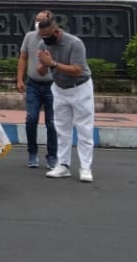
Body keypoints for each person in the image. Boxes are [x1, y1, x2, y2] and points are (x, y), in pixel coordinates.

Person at [38, 13, 95, 182]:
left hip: (80, 88)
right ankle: (63, 165)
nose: (44, 39)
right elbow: (41, 71)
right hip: (59, 88)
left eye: (47, 36)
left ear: (56, 31)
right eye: (42, 36)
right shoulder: (43, 43)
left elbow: (77, 69)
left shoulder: (74, 43)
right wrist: (42, 65)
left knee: (84, 129)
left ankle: (85, 168)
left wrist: (52, 63)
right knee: (62, 129)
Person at [17, 11, 58, 170]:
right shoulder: (29, 37)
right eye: (36, 20)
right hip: (33, 84)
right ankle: (32, 153)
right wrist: (20, 79)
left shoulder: (55, 39)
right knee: (31, 119)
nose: (38, 23)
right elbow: (23, 57)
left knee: (52, 123)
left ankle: (52, 156)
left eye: (41, 21)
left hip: (52, 86)